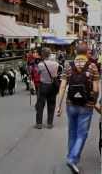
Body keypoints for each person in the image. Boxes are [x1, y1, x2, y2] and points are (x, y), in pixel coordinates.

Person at [56, 43, 100, 173]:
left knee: (72, 132)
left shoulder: (68, 66)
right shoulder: (93, 66)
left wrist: (59, 105)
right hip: (86, 105)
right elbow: (96, 89)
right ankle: (73, 158)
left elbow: (63, 86)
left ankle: (71, 157)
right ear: (87, 52)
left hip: (71, 104)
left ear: (76, 52)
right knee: (82, 134)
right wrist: (94, 101)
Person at [35, 48, 59, 129]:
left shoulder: (40, 64)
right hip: (53, 86)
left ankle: (39, 123)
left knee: (40, 105)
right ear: (49, 54)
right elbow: (56, 74)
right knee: (51, 104)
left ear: (42, 55)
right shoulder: (56, 64)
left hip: (43, 86)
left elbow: (37, 73)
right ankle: (49, 123)